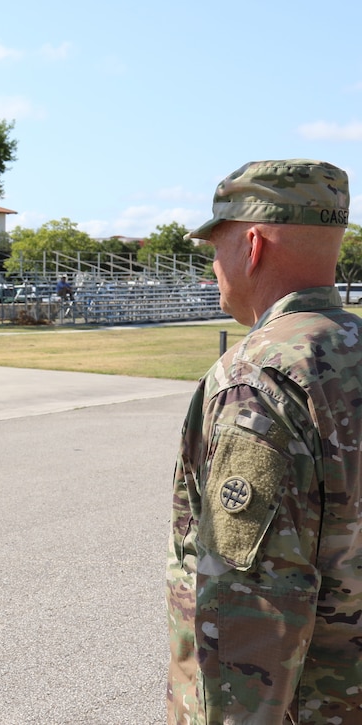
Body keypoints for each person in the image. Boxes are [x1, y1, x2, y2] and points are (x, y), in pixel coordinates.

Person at [166, 159, 361, 723]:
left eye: (216, 248)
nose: (214, 267)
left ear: (251, 246)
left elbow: (249, 613)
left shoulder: (259, 380)